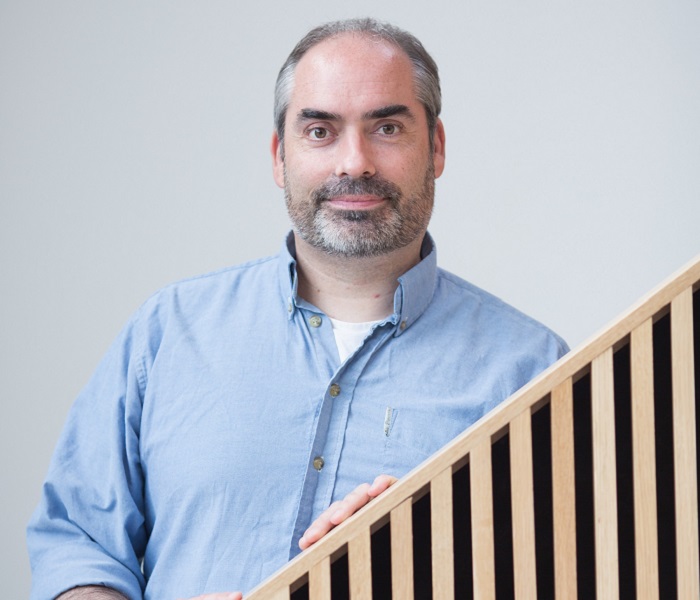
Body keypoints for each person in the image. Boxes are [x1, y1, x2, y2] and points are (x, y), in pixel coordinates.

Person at [27, 17, 568, 600]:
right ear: (279, 156)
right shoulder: (169, 332)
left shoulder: (533, 372)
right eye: (320, 131)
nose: (354, 162)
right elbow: (77, 544)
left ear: (434, 148)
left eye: (386, 127)